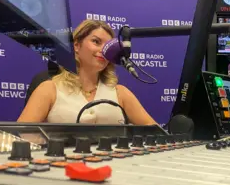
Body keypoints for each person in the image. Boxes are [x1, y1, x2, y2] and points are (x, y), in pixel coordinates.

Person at [17, 20, 157, 125]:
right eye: (96, 42)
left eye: (108, 46)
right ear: (76, 46)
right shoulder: (49, 89)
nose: (104, 50)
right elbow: (20, 138)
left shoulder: (121, 93)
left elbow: (156, 133)